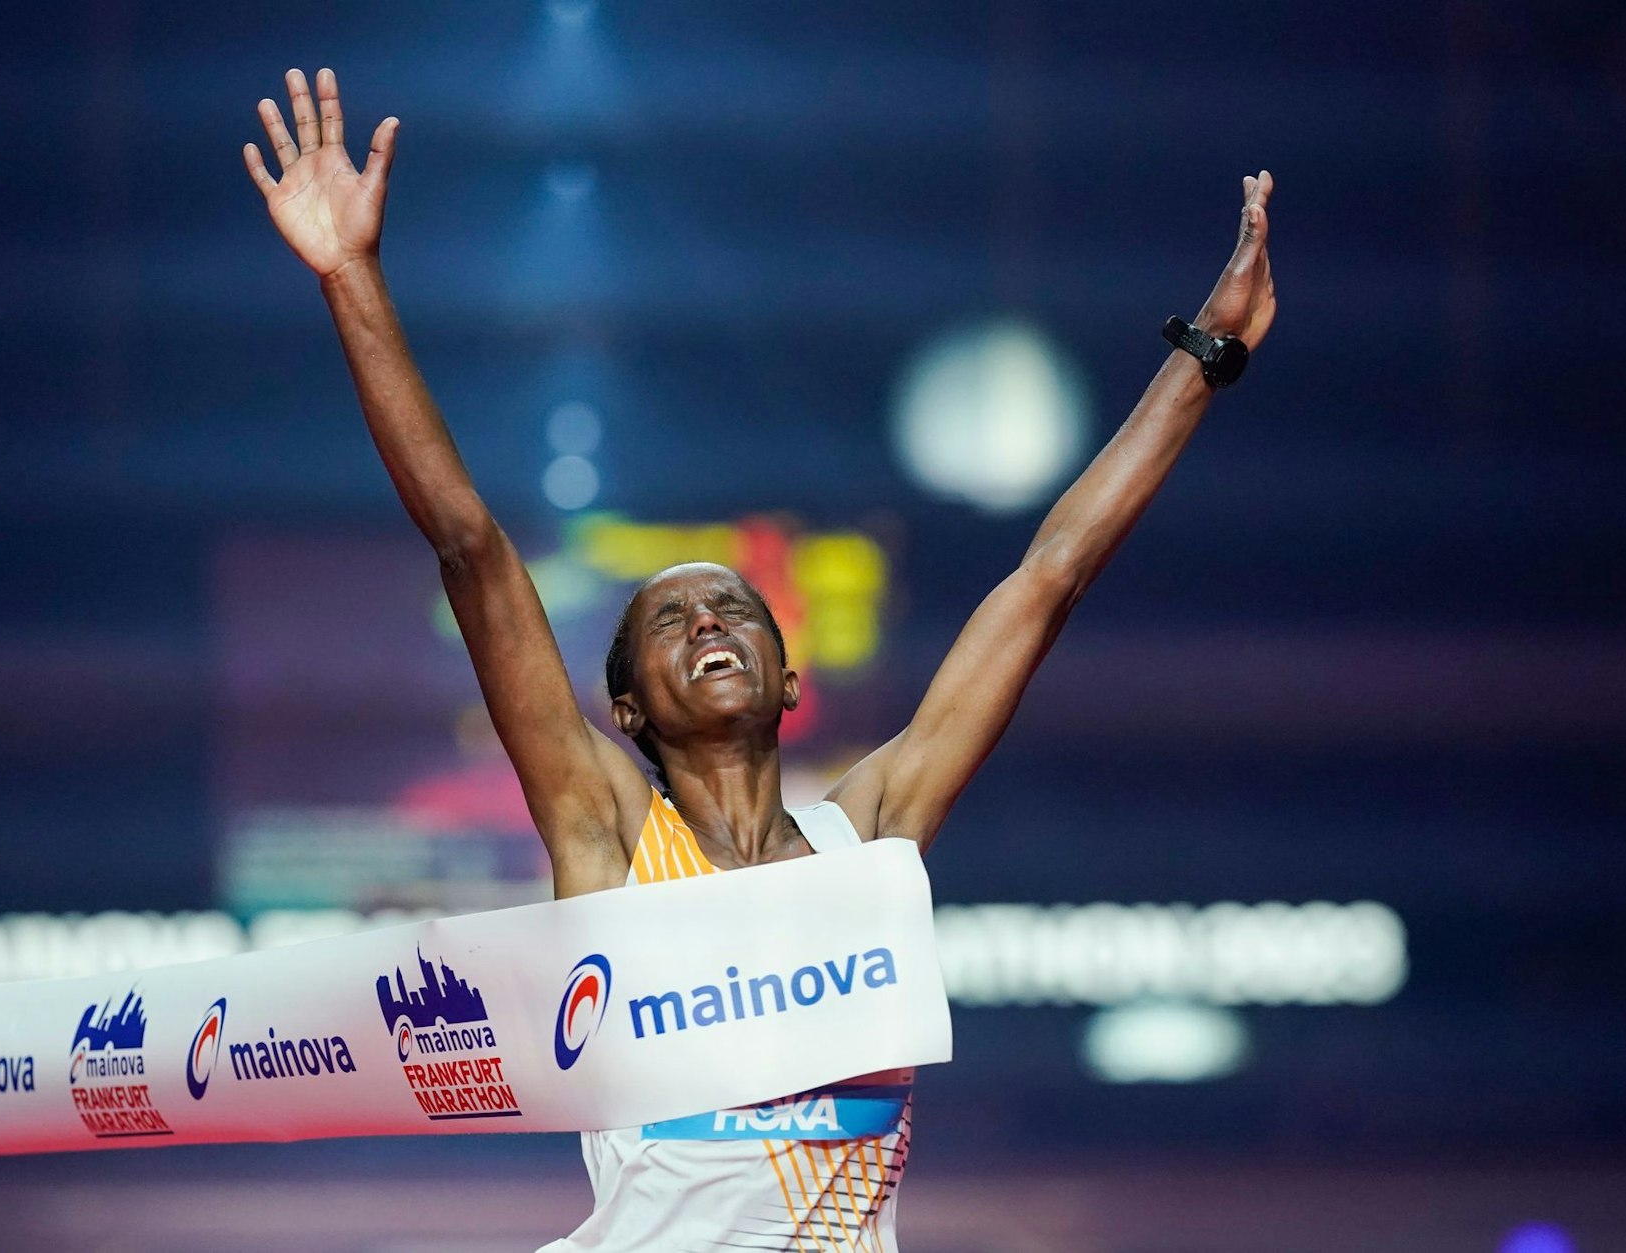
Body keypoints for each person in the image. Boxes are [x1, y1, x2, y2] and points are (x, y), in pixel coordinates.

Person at [245, 67, 1276, 1252]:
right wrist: (350, 275)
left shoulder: (866, 839)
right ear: (626, 708)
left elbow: (1048, 577)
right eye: (671, 619)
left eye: (734, 608)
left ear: (789, 680)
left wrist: (1204, 356)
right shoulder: (606, 832)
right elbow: (470, 548)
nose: (709, 623)